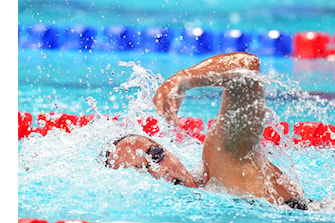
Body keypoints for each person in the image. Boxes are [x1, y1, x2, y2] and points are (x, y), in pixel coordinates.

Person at [105, 52, 311, 209]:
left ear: (170, 152)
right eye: (141, 172)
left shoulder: (220, 164)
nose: (160, 170)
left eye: (156, 155)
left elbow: (247, 67)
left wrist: (184, 79)